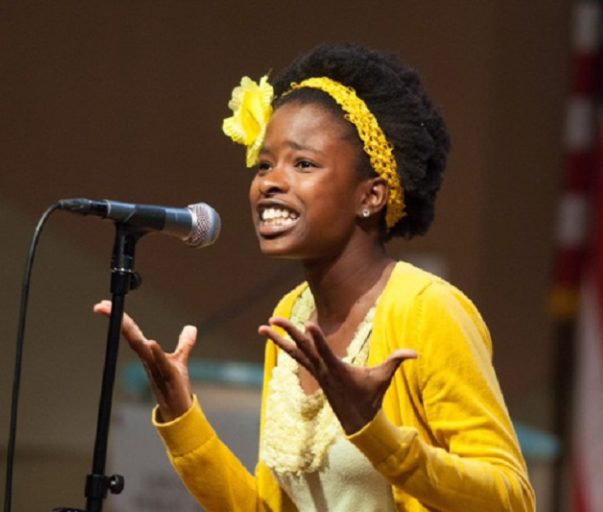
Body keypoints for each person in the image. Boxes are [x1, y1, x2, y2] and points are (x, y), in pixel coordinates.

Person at [95, 43, 535, 511]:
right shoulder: (291, 314)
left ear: (371, 196)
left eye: (303, 164)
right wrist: (180, 414)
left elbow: (512, 499)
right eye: (265, 164)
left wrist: (376, 433)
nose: (269, 182)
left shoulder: (427, 309)